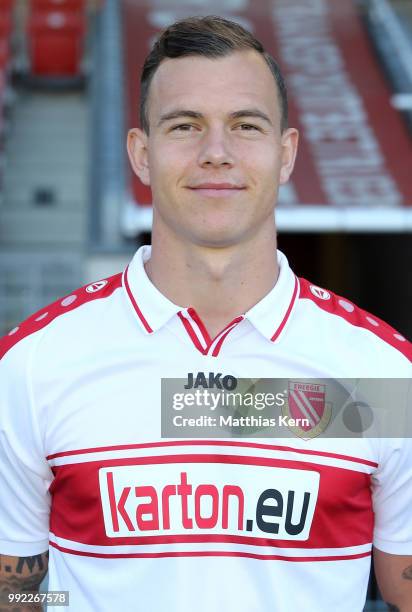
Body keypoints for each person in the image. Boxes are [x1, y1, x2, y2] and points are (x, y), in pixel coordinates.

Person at [1, 15, 411, 612]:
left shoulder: (384, 374)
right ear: (141, 154)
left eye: (245, 126)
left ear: (286, 153)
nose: (215, 153)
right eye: (184, 125)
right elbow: (20, 592)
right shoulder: (33, 364)